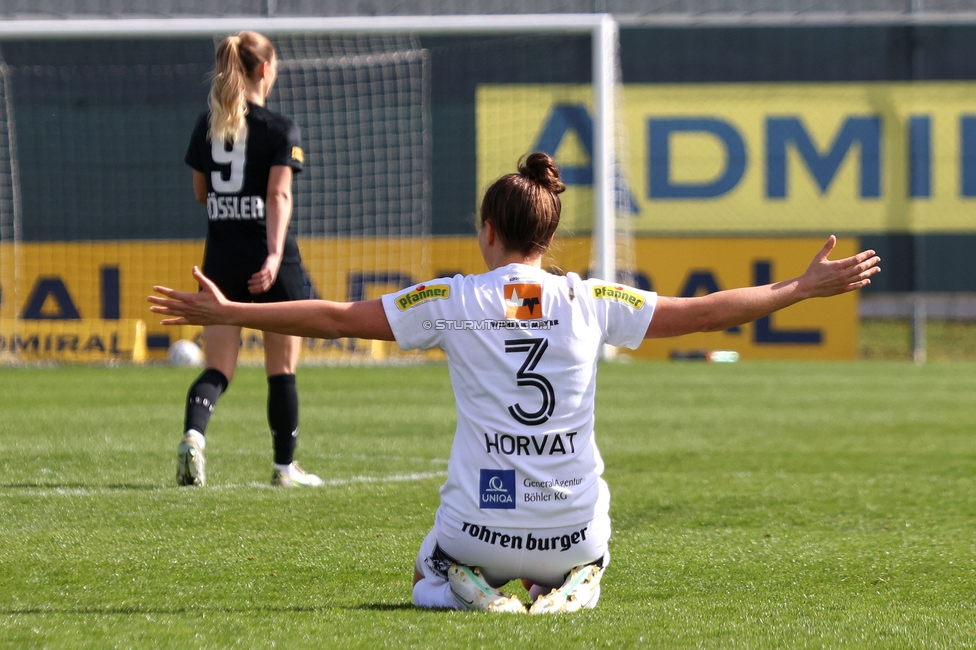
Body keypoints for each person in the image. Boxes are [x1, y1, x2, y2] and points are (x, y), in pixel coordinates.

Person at [150, 152, 880, 612]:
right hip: (570, 529)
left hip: (481, 529)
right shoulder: (589, 300)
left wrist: (232, 310)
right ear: (548, 237)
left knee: (423, 576)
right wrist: (798, 288)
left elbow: (338, 318)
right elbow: (702, 315)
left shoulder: (452, 299)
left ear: (489, 232)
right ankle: (579, 578)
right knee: (592, 533)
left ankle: (463, 584)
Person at [178, 31, 322, 488]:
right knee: (281, 368)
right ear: (264, 69)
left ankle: (194, 438)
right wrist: (276, 254)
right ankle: (284, 468)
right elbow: (279, 193)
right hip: (267, 263)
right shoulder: (280, 129)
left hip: (219, 262)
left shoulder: (207, 125)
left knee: (218, 367)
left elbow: (202, 194)